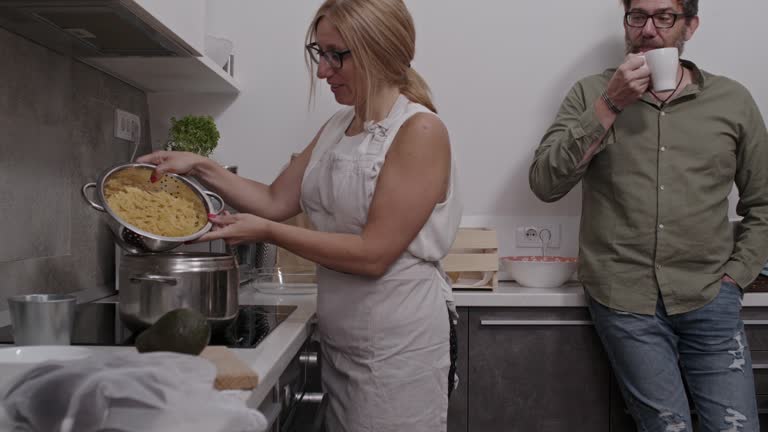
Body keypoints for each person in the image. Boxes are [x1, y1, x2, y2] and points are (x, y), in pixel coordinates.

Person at [138, 0, 462, 430]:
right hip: (344, 341)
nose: (324, 70)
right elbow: (275, 199)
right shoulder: (337, 128)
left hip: (398, 349)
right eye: (319, 53)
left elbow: (373, 254)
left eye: (337, 55)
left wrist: (268, 233)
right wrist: (200, 166)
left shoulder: (420, 131)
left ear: (380, 50)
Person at [529, 0, 768, 430]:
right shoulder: (590, 93)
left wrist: (737, 277)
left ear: (690, 26)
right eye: (637, 16)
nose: (649, 29)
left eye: (665, 17)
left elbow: (764, 202)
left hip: (710, 295)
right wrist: (609, 105)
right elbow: (546, 183)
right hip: (625, 299)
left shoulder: (731, 100)